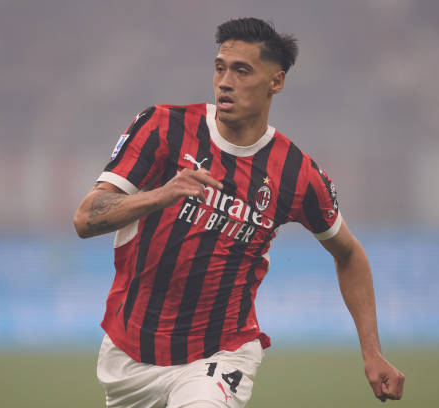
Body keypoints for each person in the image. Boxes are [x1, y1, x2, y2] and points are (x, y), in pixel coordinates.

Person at [74, 17, 404, 408]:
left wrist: (372, 352)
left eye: (241, 71)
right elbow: (85, 217)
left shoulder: (296, 174)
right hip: (129, 355)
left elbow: (348, 253)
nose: (225, 82)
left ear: (275, 82)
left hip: (220, 353)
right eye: (220, 68)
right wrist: (161, 195)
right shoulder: (164, 127)